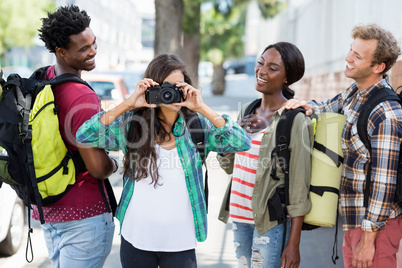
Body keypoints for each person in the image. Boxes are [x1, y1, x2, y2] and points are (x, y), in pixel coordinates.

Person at [76, 54, 252, 268]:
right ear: (151, 89)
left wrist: (202, 107)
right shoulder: (131, 125)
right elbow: (84, 135)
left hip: (181, 242)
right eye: (165, 88)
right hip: (136, 238)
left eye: (178, 87)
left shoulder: (198, 125)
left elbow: (242, 142)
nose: (171, 94)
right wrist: (129, 103)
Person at [285, 23, 402, 268]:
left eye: (357, 56)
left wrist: (368, 239)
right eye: (350, 50)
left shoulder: (386, 114)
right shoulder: (356, 93)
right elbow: (327, 107)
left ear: (378, 67)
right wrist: (305, 106)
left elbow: (384, 182)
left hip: (375, 228)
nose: (348, 58)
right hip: (353, 221)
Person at [31, 5, 116, 267]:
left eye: (93, 43)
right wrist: (115, 162)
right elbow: (98, 168)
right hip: (84, 218)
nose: (93, 51)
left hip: (49, 210)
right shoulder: (81, 96)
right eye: (83, 48)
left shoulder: (43, 79)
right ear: (61, 51)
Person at [217, 42, 313, 268]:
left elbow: (299, 186)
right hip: (239, 217)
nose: (261, 71)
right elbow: (230, 166)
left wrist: (294, 244)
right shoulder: (247, 110)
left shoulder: (295, 119)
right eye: (260, 63)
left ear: (287, 77)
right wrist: (232, 135)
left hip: (269, 222)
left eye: (272, 68)